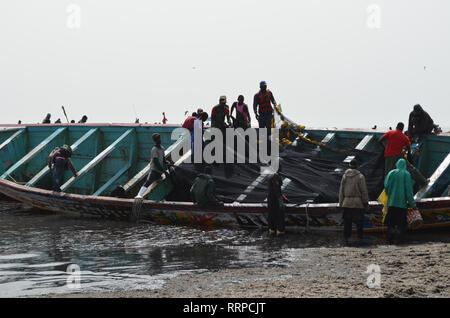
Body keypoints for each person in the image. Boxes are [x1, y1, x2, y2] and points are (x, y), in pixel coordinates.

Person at [379, 122, 428, 187]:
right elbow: (409, 149)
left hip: (389, 156)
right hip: (399, 156)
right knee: (411, 169)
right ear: (402, 129)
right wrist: (409, 160)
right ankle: (423, 181)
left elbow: (380, 140)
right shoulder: (405, 137)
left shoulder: (390, 133)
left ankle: (387, 187)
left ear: (396, 127)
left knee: (388, 174)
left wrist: (385, 148)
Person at [384, 158, 417, 244]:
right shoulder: (406, 174)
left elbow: (386, 186)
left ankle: (389, 240)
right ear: (405, 165)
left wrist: (390, 195)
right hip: (401, 205)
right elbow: (409, 191)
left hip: (391, 203)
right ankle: (399, 241)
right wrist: (412, 204)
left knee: (390, 224)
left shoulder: (391, 173)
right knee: (400, 224)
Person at [338, 159, 369, 245]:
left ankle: (346, 240)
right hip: (358, 204)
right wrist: (365, 202)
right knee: (359, 224)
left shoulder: (344, 176)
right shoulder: (360, 176)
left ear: (349, 165)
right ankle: (359, 240)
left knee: (347, 224)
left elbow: (341, 191)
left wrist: (341, 204)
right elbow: (364, 191)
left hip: (346, 203)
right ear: (357, 166)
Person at [135, 133, 170, 198]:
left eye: (159, 138)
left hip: (159, 171)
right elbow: (156, 162)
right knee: (149, 181)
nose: (159, 140)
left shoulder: (162, 148)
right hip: (154, 169)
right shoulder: (154, 149)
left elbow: (163, 158)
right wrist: (164, 171)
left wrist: (166, 162)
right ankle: (139, 195)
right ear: (155, 140)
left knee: (158, 180)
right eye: (157, 139)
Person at [267, 169, 287, 235]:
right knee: (279, 214)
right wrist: (281, 202)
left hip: (270, 198)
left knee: (271, 214)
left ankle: (272, 230)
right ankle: (280, 230)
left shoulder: (270, 175)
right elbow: (277, 190)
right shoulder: (275, 176)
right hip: (275, 199)